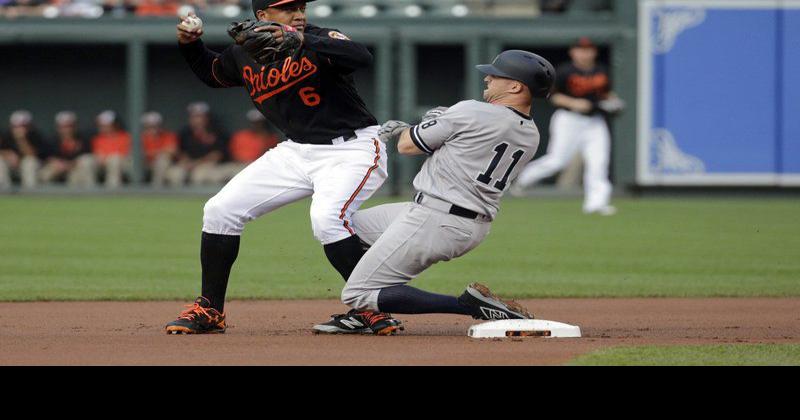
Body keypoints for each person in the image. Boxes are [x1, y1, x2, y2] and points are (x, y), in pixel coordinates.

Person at [165, 0, 400, 334]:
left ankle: (371, 306)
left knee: (327, 219)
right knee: (220, 210)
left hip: (351, 148)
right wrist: (190, 46)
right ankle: (210, 309)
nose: (299, 13)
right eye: (288, 8)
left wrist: (303, 39)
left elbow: (361, 56)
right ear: (262, 16)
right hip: (296, 151)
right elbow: (213, 73)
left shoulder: (317, 37)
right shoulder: (245, 51)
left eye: (300, 6)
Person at [312, 50, 555, 335]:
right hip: (459, 220)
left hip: (437, 217)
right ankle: (368, 309)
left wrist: (418, 127)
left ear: (515, 86)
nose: (488, 77)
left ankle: (468, 306)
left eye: (497, 75)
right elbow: (468, 145)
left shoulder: (473, 110)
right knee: (343, 228)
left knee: (357, 294)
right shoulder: (531, 133)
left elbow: (407, 145)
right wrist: (441, 124)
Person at [511, 37, 622, 215]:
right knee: (557, 160)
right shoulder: (565, 71)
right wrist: (575, 103)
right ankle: (524, 179)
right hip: (569, 119)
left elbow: (606, 93)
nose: (584, 53)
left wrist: (613, 101)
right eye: (581, 50)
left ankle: (596, 203)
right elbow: (553, 96)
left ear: (594, 52)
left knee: (598, 161)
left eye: (588, 50)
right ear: (573, 52)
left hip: (594, 121)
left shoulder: (602, 71)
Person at [168, 102, 228, 187]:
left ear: (206, 118)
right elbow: (179, 151)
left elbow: (217, 155)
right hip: (187, 164)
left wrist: (196, 163)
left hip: (209, 165)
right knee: (176, 174)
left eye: (200, 116)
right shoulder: (185, 132)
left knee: (199, 175)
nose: (197, 120)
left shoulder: (217, 131)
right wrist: (186, 162)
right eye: (194, 116)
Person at [214, 109, 280, 183]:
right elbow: (231, 153)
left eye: (259, 123)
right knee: (216, 174)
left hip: (255, 166)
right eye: (254, 123)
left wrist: (265, 139)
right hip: (236, 165)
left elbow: (269, 156)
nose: (256, 125)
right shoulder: (240, 136)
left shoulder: (270, 137)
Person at [39, 111, 95, 188]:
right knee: (44, 175)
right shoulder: (51, 139)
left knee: (83, 167)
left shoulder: (83, 139)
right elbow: (45, 156)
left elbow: (87, 155)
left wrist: (69, 164)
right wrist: (56, 162)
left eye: (70, 126)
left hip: (75, 168)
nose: (67, 129)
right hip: (56, 167)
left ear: (75, 126)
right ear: (58, 127)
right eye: (63, 126)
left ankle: (91, 193)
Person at [0, 110, 47, 190]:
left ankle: (30, 192)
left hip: (36, 168)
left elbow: (32, 154)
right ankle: (3, 190)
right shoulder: (7, 135)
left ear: (29, 126)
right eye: (16, 126)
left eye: (23, 126)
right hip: (12, 167)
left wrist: (21, 139)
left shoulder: (35, 135)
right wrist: (8, 154)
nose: (19, 128)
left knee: (29, 162)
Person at [90, 110, 131, 189]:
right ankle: (89, 191)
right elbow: (97, 153)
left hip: (122, 164)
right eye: (101, 125)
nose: (102, 127)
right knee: (86, 161)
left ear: (115, 125)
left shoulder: (125, 137)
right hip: (102, 164)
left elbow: (123, 154)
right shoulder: (97, 139)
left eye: (106, 125)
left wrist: (105, 159)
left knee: (114, 160)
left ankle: (112, 191)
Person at [140, 111, 179, 188]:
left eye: (155, 125)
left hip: (165, 167)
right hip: (144, 165)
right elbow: (137, 154)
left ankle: (157, 190)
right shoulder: (141, 137)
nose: (153, 128)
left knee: (164, 161)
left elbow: (171, 151)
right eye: (149, 126)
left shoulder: (168, 135)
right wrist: (159, 151)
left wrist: (150, 153)